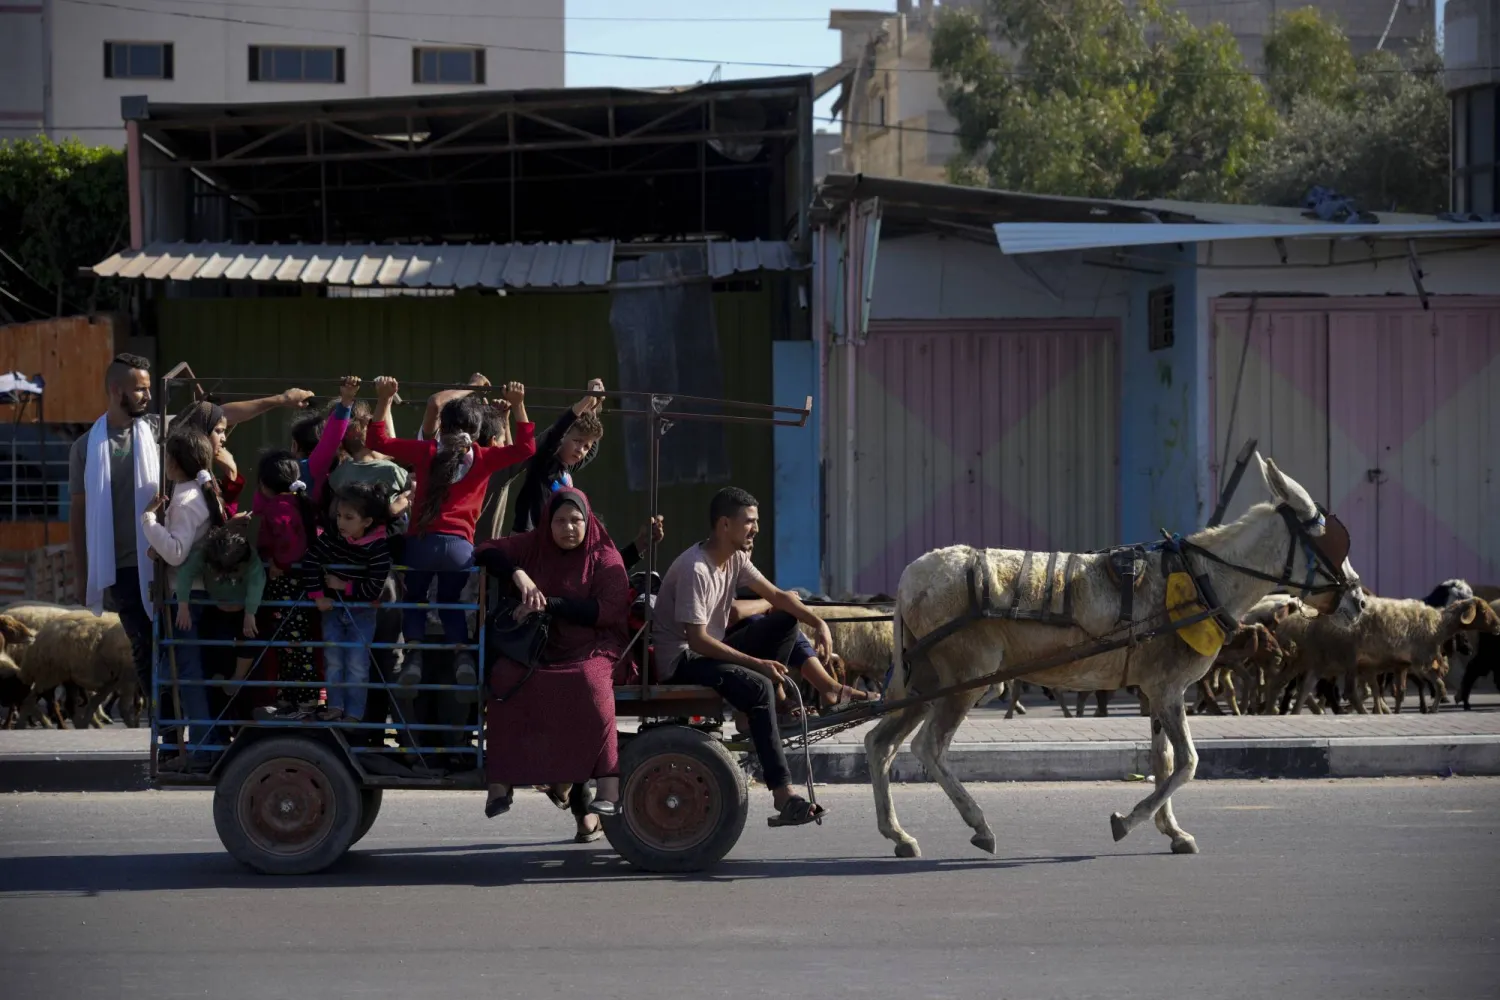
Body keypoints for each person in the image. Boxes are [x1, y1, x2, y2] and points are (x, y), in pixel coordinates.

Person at [653, 487, 834, 827]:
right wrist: (757, 664)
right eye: (749, 522)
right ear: (724, 524)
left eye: (757, 521)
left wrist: (818, 622)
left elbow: (778, 596)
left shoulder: (735, 557)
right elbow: (699, 641)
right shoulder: (696, 569)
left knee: (784, 621)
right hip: (683, 661)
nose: (756, 529)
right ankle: (783, 794)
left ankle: (763, 707)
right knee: (758, 687)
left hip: (708, 650)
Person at [365, 376, 536, 697]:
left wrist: (385, 400)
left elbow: (378, 441)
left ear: (442, 425)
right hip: (460, 550)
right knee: (451, 603)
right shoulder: (484, 457)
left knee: (414, 601)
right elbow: (527, 448)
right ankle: (462, 658)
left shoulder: (427, 450)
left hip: (420, 545)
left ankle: (413, 657)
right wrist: (517, 404)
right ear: (475, 431)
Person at [474, 488, 629, 826]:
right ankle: (500, 783)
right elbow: (483, 550)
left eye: (576, 520)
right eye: (560, 521)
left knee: (591, 682)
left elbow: (607, 611)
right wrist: (517, 573)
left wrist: (545, 603)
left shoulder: (604, 557)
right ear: (548, 522)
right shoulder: (533, 545)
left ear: (588, 522)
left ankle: (608, 786)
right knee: (502, 677)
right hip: (538, 649)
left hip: (590, 645)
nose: (568, 528)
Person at [69, 354, 161, 718]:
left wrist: (277, 401)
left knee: (167, 644)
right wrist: (81, 573)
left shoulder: (155, 430)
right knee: (142, 647)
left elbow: (217, 418)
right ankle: (163, 728)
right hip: (122, 567)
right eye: (140, 389)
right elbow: (78, 515)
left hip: (162, 558)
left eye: (149, 388)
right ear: (116, 389)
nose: (147, 396)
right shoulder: (85, 448)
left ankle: (175, 725)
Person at [138, 428, 226, 763]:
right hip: (200, 593)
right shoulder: (201, 493)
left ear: (174, 462)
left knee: (187, 674)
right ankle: (209, 740)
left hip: (186, 596)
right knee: (193, 671)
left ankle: (204, 747)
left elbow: (176, 552)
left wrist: (148, 520)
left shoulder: (185, 500)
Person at [301, 481, 394, 724]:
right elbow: (310, 561)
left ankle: (354, 713)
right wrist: (318, 595)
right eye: (339, 516)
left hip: (362, 612)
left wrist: (343, 586)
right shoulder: (333, 537)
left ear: (367, 522)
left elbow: (375, 588)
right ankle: (335, 706)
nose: (341, 522)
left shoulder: (379, 548)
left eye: (349, 517)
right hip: (332, 609)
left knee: (357, 664)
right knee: (333, 660)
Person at [250, 450, 320, 720]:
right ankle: (293, 699)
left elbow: (290, 545)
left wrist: (280, 562)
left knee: (293, 645)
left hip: (287, 585)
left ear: (265, 484)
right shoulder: (295, 501)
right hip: (297, 585)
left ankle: (302, 701)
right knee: (293, 644)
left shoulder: (278, 507)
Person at [174, 384, 317, 517]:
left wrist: (232, 475)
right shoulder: (182, 477)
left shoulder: (202, 471)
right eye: (219, 431)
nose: (224, 438)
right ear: (200, 433)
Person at [728, 599, 878, 713]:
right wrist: (771, 600)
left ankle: (830, 689)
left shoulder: (738, 564)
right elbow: (734, 610)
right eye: (744, 554)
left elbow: (777, 594)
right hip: (716, 645)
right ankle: (780, 698)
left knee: (787, 618)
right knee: (773, 621)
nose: (746, 556)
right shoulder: (709, 563)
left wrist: (820, 624)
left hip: (737, 637)